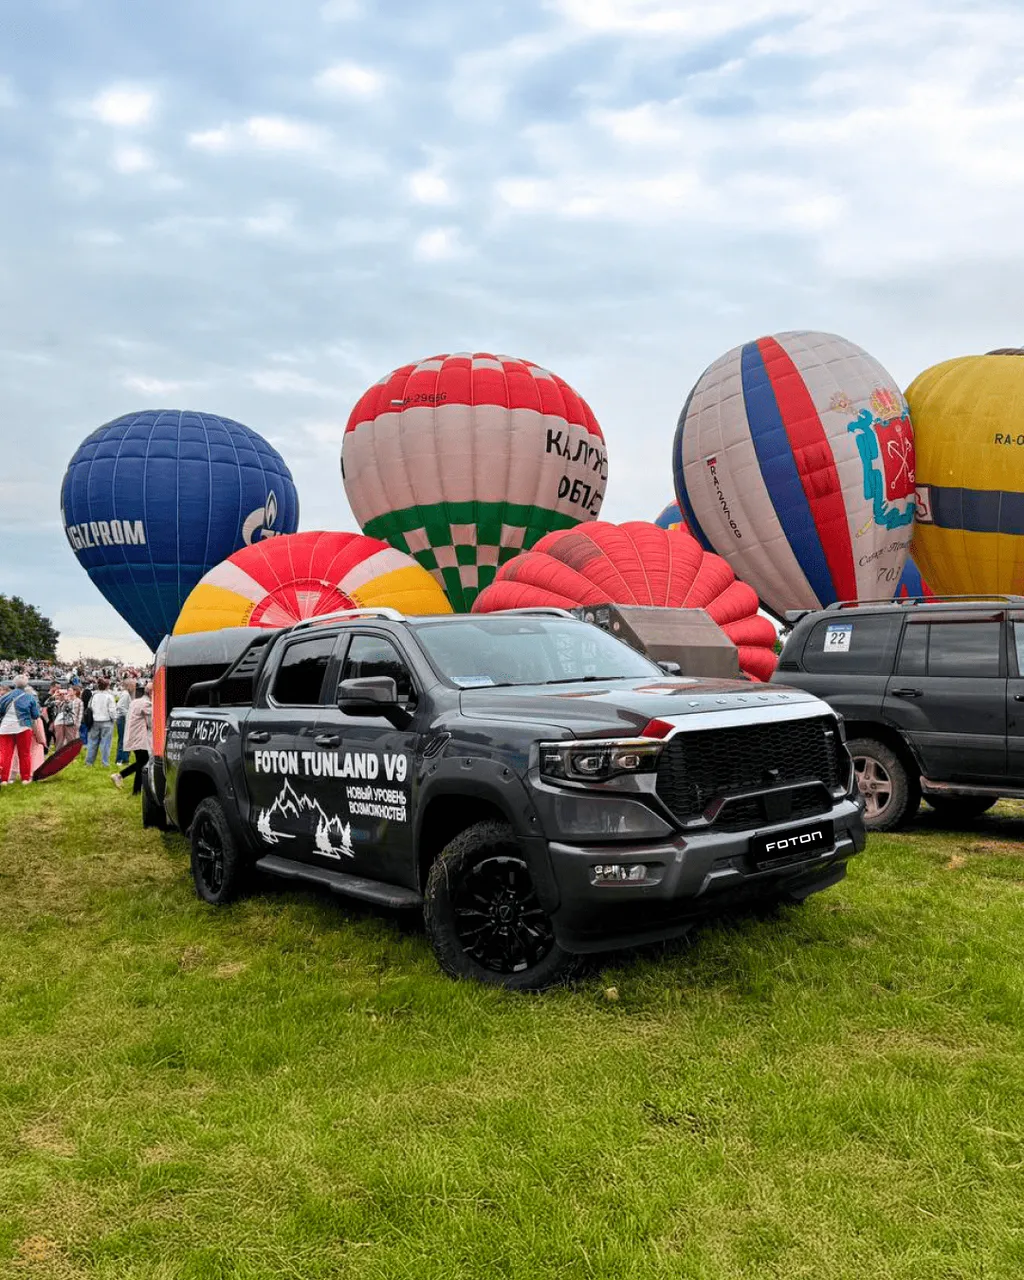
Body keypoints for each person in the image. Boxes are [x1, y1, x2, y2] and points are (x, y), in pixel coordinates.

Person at [0, 675, 42, 786]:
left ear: (14, 684)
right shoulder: (30, 697)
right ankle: (25, 778)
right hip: (23, 728)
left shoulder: (5, 697)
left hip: (5, 728)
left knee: (5, 755)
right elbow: (36, 715)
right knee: (24, 754)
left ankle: (4, 779)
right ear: (26, 684)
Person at [112, 682, 152, 794]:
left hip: (133, 736)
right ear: (151, 692)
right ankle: (136, 790)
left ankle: (121, 776)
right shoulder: (146, 703)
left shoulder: (135, 702)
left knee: (142, 761)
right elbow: (152, 723)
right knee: (143, 762)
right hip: (140, 737)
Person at [84, 677, 116, 768]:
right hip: (106, 721)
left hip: (95, 721)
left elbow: (89, 707)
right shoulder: (110, 696)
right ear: (107, 686)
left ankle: (89, 763)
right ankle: (105, 763)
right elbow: (112, 711)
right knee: (105, 743)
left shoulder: (94, 695)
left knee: (92, 742)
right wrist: (114, 719)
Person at [113, 681, 133, 765]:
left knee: (125, 739)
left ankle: (124, 759)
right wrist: (128, 715)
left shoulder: (126, 693)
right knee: (123, 740)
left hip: (122, 718)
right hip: (123, 719)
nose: (134, 687)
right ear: (129, 685)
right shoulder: (125, 694)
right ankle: (120, 760)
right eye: (133, 685)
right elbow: (120, 706)